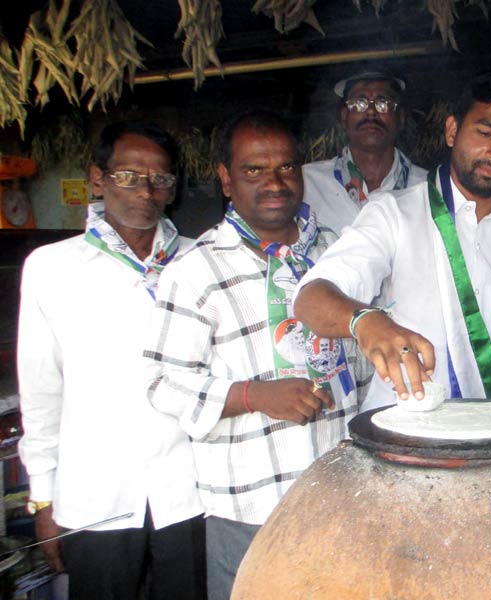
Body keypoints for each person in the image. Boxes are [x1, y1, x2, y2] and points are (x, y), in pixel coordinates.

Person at [141, 110, 357, 600]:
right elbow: (164, 383)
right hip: (249, 507)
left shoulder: (339, 257)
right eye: (253, 170)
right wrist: (254, 395)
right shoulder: (195, 271)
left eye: (285, 167)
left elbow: (361, 366)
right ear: (225, 178)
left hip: (337, 496)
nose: (275, 183)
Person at [293, 74, 491, 413]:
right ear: (453, 131)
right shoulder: (393, 213)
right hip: (406, 430)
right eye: (485, 133)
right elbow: (311, 297)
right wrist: (365, 321)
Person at [17, 121, 205, 599]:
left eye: (159, 178)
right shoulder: (52, 268)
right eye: (127, 175)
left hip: (189, 493)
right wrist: (43, 495)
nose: (144, 190)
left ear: (172, 189)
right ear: (98, 180)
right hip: (96, 496)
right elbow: (41, 390)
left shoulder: (200, 261)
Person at [302, 68, 427, 236]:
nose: (371, 112)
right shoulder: (307, 183)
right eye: (359, 103)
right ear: (344, 117)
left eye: (383, 102)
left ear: (401, 117)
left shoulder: (428, 187)